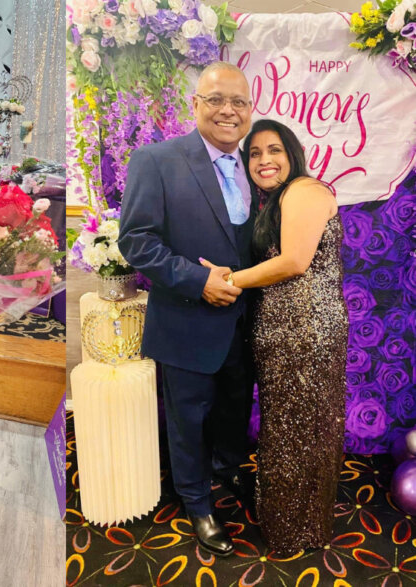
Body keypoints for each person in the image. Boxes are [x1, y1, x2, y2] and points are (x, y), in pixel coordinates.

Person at [118, 62, 257, 557]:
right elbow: (136, 241)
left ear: (250, 110)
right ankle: (196, 502)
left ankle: (226, 472)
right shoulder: (156, 160)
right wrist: (199, 281)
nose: (228, 110)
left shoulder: (255, 166)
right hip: (186, 321)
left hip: (245, 324)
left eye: (239, 102)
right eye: (216, 99)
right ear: (194, 104)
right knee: (188, 419)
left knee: (233, 411)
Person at [200, 119, 348, 556]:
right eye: (255, 153)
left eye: (274, 150)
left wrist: (229, 279)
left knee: (302, 431)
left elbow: (294, 262)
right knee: (288, 430)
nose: (264, 160)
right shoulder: (275, 201)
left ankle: (296, 528)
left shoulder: (304, 190)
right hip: (281, 333)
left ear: (293, 154)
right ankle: (290, 521)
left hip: (306, 331)